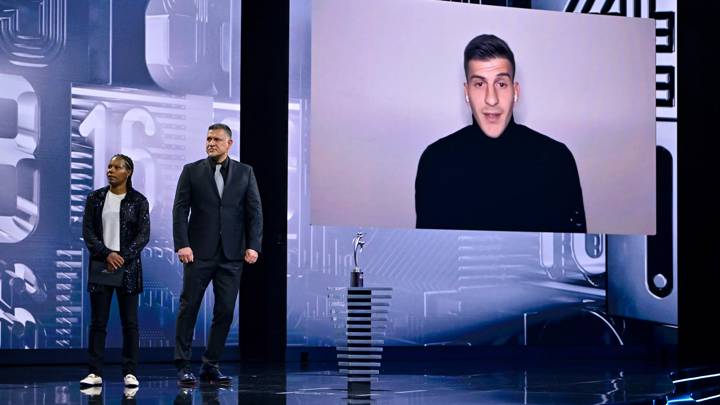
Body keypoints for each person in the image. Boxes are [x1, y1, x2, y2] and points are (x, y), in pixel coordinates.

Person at [415, 34, 586, 233]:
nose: (491, 99)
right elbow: (430, 256)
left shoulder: (556, 160)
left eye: (501, 84)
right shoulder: (436, 162)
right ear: (466, 92)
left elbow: (572, 253)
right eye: (479, 84)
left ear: (515, 92)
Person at [172, 123, 263, 385]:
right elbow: (180, 210)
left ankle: (210, 365)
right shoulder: (191, 171)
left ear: (229, 144)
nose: (211, 143)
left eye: (217, 139)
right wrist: (183, 244)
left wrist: (253, 245)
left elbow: (254, 212)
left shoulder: (246, 173)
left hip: (232, 255)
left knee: (225, 311)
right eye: (208, 138)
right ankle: (183, 365)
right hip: (198, 252)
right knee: (189, 308)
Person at [80, 154, 150, 388]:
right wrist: (106, 253)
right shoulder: (96, 198)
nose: (110, 170)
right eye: (109, 166)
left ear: (128, 172)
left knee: (130, 323)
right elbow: (88, 232)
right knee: (98, 322)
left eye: (117, 167)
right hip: (101, 264)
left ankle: (130, 372)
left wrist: (122, 257)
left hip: (128, 268)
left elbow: (143, 236)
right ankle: (94, 372)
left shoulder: (139, 201)